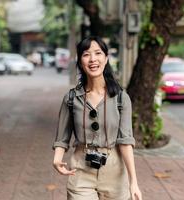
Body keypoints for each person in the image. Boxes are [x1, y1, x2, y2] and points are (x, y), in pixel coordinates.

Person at [53, 36, 142, 200]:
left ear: (106, 58)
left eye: (98, 53)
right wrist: (57, 159)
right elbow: (62, 137)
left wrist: (133, 181)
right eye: (86, 54)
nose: (93, 59)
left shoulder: (121, 98)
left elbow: (126, 141)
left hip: (115, 171)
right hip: (81, 169)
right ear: (80, 61)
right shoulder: (71, 98)